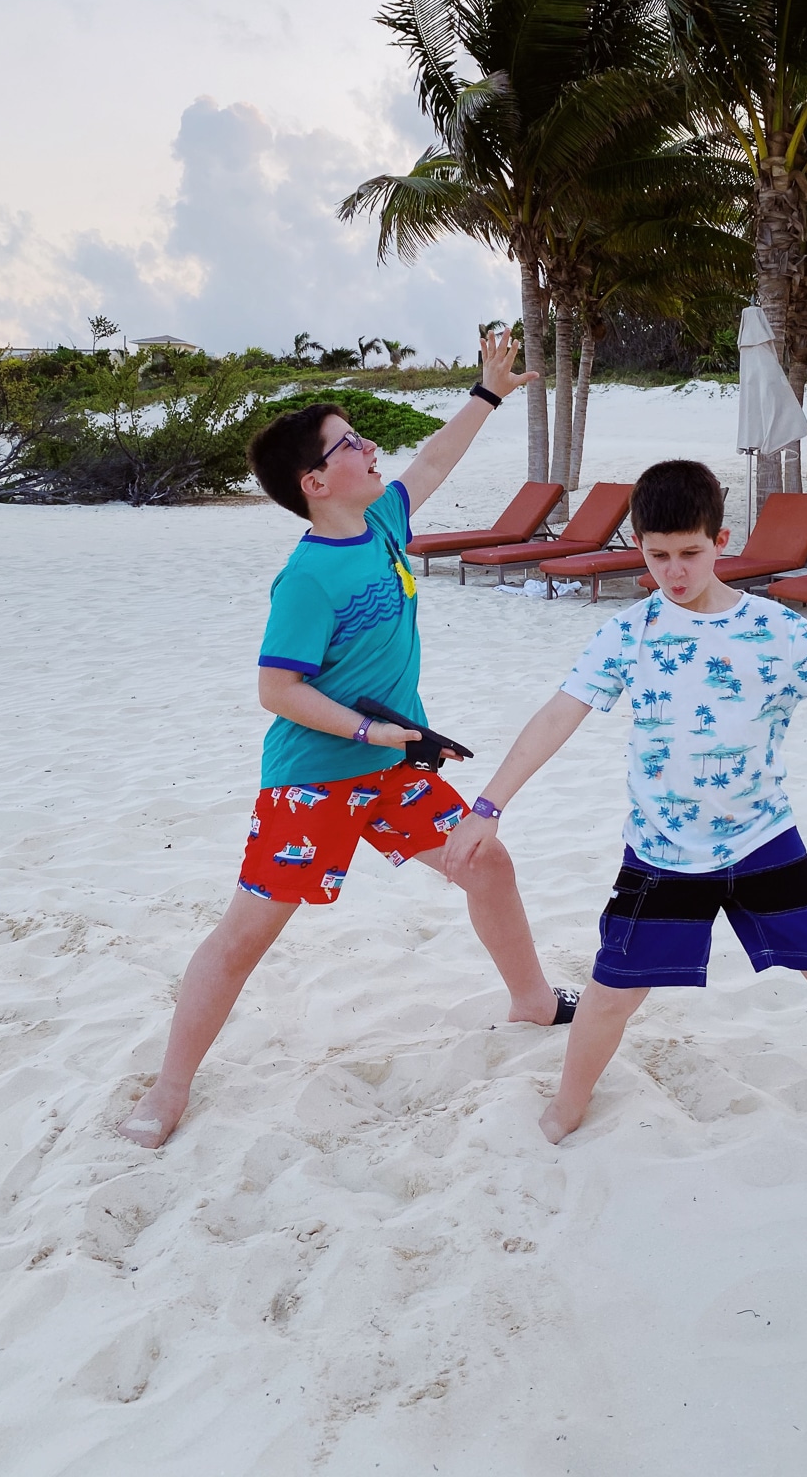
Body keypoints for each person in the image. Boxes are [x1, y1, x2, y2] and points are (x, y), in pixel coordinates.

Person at [444, 459, 807, 1146]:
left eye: (690, 553)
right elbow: (558, 716)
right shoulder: (630, 632)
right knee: (613, 991)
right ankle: (566, 1106)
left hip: (763, 840)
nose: (674, 572)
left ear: (722, 540)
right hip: (661, 850)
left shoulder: (777, 630)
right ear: (639, 548)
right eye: (658, 557)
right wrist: (489, 805)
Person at [120, 330, 576, 1148]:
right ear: (317, 480)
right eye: (350, 444)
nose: (371, 450)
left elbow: (433, 463)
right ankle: (168, 1090)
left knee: (487, 862)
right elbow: (276, 689)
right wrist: (370, 728)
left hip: (395, 768)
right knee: (244, 939)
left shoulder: (386, 524)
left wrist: (486, 394)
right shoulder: (307, 577)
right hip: (313, 780)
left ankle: (532, 1001)